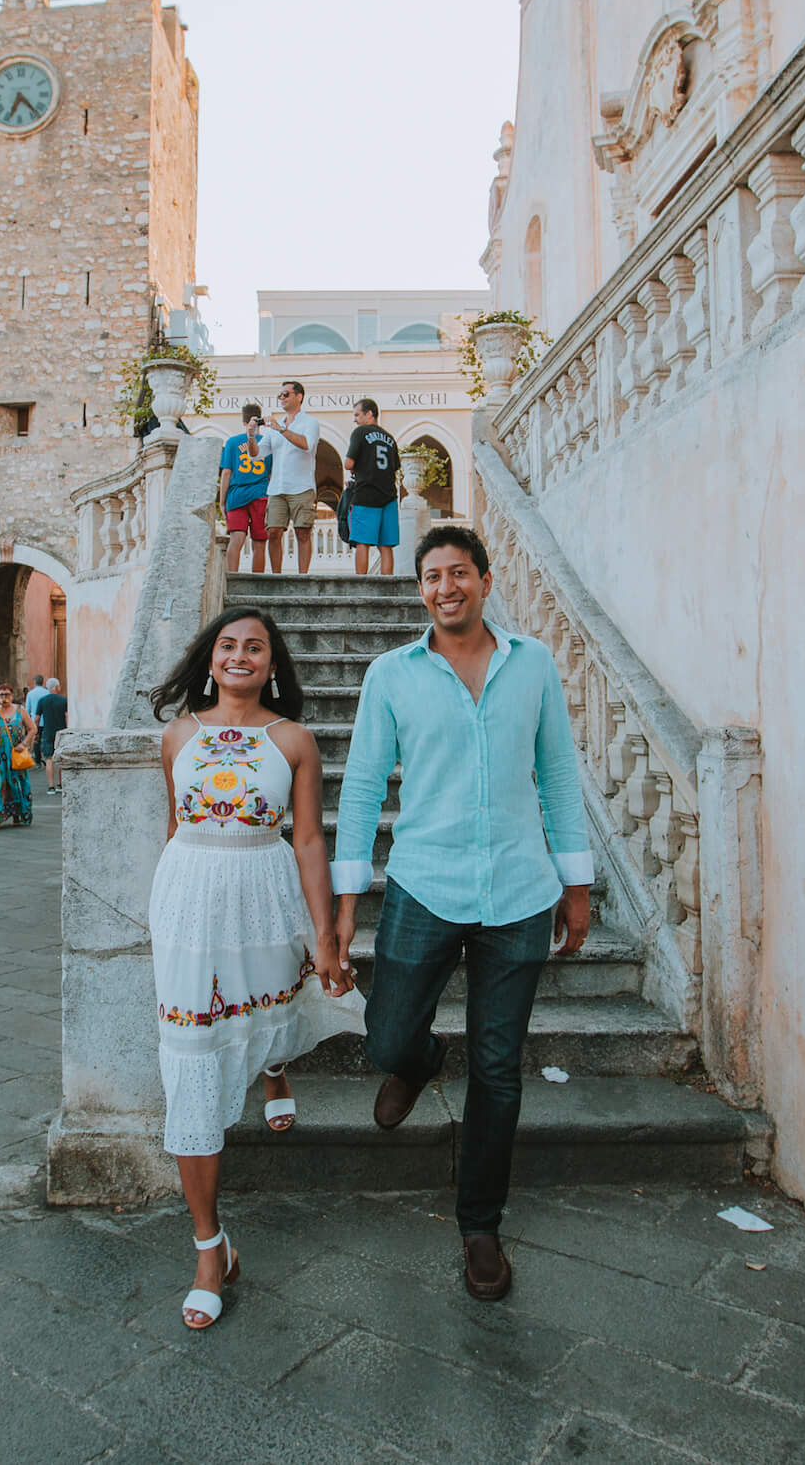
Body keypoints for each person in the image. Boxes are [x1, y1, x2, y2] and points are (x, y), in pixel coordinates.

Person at [332, 525, 594, 1303]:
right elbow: (362, 785)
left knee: (499, 1067)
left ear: (484, 579)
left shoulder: (532, 664)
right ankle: (418, 1061)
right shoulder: (392, 674)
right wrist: (346, 900)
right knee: (386, 1034)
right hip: (424, 882)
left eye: (457, 572)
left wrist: (575, 885)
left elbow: (558, 773)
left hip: (519, 891)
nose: (445, 587)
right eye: (432, 576)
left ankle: (481, 1223)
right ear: (421, 590)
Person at [142, 608, 360, 1330]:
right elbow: (175, 825)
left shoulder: (293, 739)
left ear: (272, 665)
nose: (240, 656)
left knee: (272, 1007)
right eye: (228, 645)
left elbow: (308, 838)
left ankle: (273, 1068)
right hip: (189, 898)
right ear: (210, 660)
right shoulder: (178, 735)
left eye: (255, 647)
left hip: (264, 889)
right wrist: (169, 907)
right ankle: (211, 1248)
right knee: (191, 1063)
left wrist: (323, 935)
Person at [262, 380, 321, 575]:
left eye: (286, 394)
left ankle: (303, 576)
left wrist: (281, 429)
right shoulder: (275, 426)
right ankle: (276, 577)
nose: (282, 398)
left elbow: (307, 445)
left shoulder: (310, 422)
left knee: (302, 532)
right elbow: (257, 454)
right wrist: (251, 435)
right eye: (280, 395)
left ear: (299, 396)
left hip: (302, 487)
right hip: (276, 488)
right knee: (273, 532)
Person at [342, 398, 402, 577]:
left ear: (369, 414)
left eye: (357, 415)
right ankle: (387, 585)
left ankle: (361, 584)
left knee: (363, 543)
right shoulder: (390, 438)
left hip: (366, 494)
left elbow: (348, 463)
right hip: (389, 496)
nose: (355, 419)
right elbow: (395, 466)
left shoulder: (360, 432)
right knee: (386, 546)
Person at [217, 402, 273, 575]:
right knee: (259, 543)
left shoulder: (232, 443)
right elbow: (271, 475)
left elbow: (226, 473)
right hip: (260, 495)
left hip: (236, 495)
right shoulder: (267, 443)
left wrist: (222, 501)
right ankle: (257, 582)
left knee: (236, 539)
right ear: (260, 420)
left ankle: (232, 580)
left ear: (243, 421)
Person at [0, 684, 35, 829]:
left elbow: (32, 728)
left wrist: (25, 744)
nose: (4, 697)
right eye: (1, 695)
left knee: (17, 784)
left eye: (7, 694)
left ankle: (17, 814)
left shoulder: (20, 710)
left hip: (15, 754)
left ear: (12, 696)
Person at [34, 678, 69, 796]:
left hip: (47, 732)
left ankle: (51, 786)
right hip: (61, 733)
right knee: (61, 758)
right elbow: (67, 716)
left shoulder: (42, 701)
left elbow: (37, 718)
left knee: (49, 759)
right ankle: (60, 784)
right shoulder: (63, 700)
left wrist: (35, 732)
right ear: (56, 687)